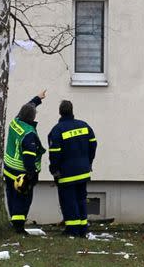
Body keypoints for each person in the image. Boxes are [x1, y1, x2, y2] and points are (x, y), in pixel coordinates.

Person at [48, 100, 97, 237]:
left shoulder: (57, 130)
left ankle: (73, 230)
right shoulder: (84, 126)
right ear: (72, 110)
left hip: (66, 174)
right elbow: (93, 145)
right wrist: (89, 162)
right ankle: (82, 228)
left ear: (60, 112)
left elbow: (54, 153)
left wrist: (54, 170)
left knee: (69, 202)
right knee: (81, 199)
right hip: (83, 171)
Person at [3, 89, 47, 234]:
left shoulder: (15, 122)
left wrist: (37, 99)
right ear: (32, 117)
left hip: (8, 169)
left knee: (12, 197)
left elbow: (26, 107)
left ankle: (15, 222)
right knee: (24, 199)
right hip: (21, 174)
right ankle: (19, 228)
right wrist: (32, 175)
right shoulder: (29, 134)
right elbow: (29, 159)